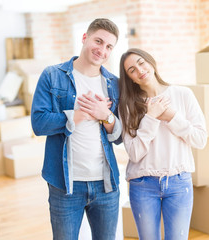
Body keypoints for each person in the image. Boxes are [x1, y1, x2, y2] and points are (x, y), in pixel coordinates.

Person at [31, 18, 122, 240]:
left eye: (109, 46)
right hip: (65, 185)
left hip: (106, 185)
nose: (102, 50)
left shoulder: (114, 83)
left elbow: (118, 136)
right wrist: (79, 115)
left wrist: (105, 115)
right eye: (98, 41)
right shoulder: (52, 75)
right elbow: (39, 124)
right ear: (84, 38)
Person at [118, 48, 207, 240]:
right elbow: (134, 153)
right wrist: (151, 117)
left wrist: (172, 117)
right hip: (142, 185)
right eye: (132, 70)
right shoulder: (127, 105)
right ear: (130, 79)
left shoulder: (183, 94)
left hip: (179, 183)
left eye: (141, 63)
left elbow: (200, 139)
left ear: (151, 62)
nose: (139, 70)